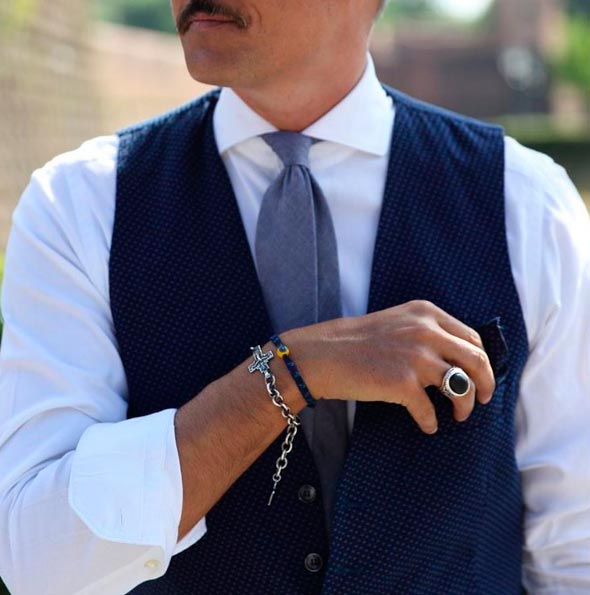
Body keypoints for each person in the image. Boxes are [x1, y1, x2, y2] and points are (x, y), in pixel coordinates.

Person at [0, 0, 589, 593]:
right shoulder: (81, 207)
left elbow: (576, 550)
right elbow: (37, 565)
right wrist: (289, 372)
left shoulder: (527, 205)